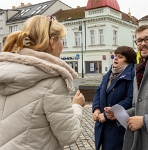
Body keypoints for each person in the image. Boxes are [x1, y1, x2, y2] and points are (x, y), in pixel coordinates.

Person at [0, 15, 85, 150]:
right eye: (61, 40)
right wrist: (77, 106)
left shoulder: (4, 72)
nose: (62, 45)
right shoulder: (52, 81)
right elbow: (69, 135)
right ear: (52, 42)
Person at [92, 46, 137, 150]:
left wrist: (107, 115)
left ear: (128, 61)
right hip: (102, 125)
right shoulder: (109, 73)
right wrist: (96, 108)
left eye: (120, 57)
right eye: (115, 56)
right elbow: (99, 91)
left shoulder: (132, 76)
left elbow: (130, 99)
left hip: (118, 127)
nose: (115, 58)